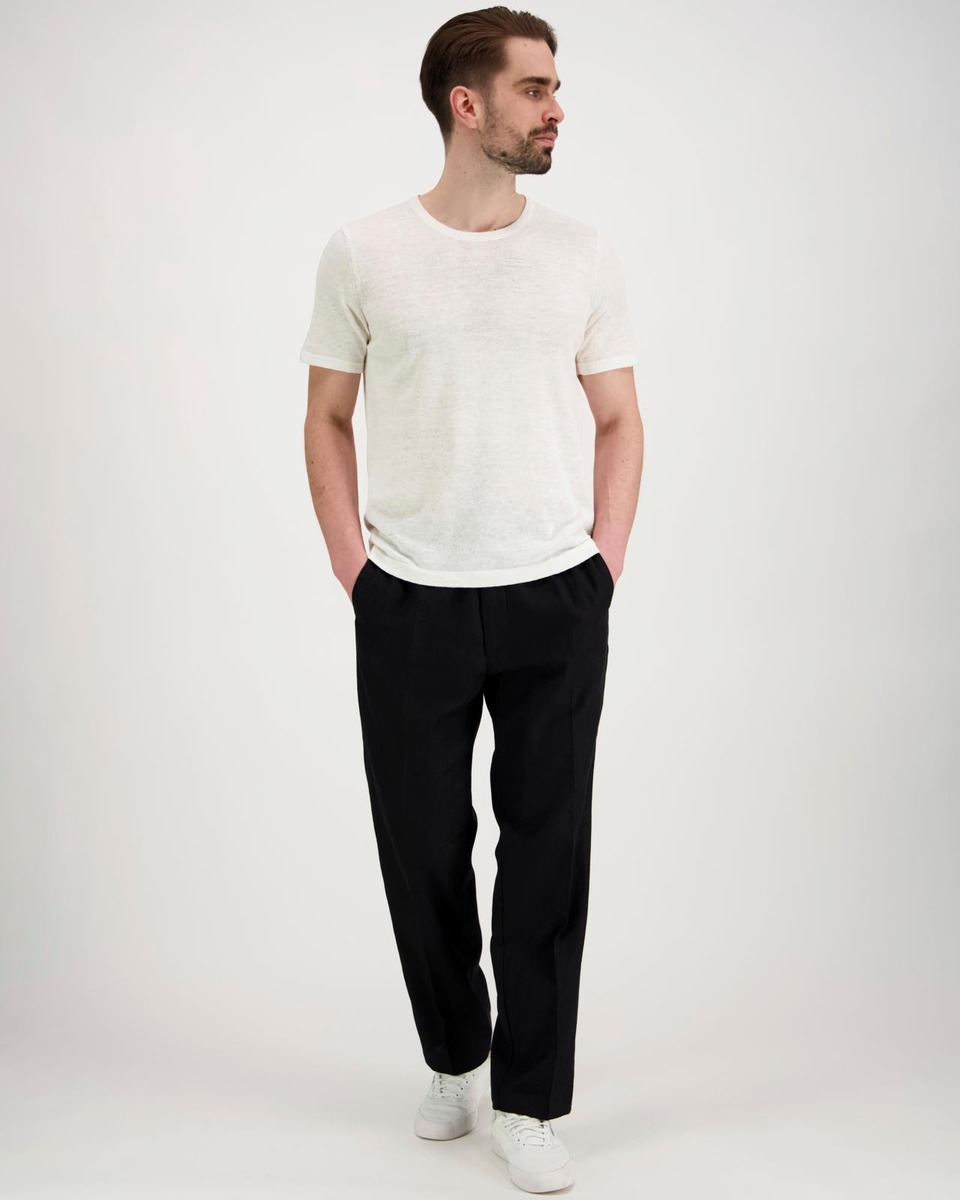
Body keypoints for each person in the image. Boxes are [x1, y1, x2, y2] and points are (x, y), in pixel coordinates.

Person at [300, 6, 643, 1193]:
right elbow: (326, 417)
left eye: (555, 87)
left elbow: (619, 417)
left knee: (548, 853)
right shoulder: (364, 251)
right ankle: (455, 1056)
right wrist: (356, 571)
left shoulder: (583, 253)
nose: (557, 108)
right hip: (412, 601)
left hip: (554, 595)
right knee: (422, 849)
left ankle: (531, 1101)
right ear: (468, 103)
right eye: (536, 88)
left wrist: (601, 566)